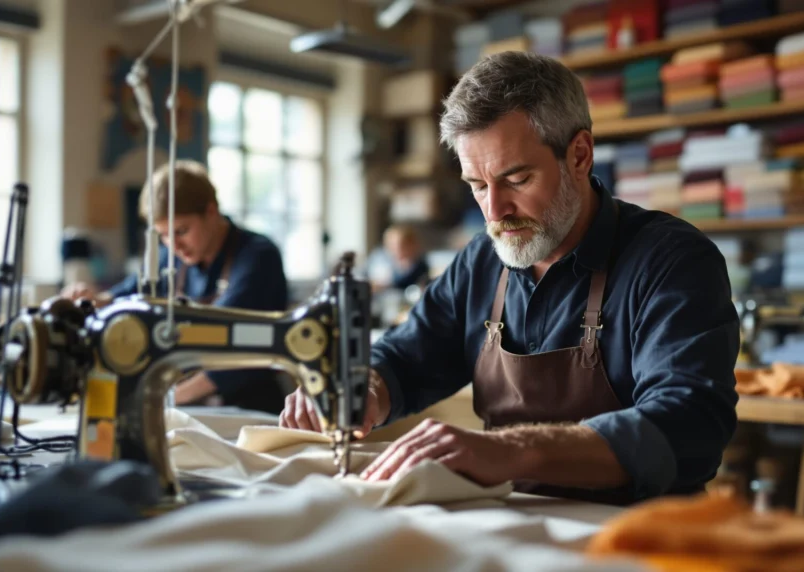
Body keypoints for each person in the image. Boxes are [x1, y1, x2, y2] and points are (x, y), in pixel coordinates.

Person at [280, 52, 739, 504]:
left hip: (633, 533)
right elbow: (407, 356)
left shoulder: (671, 260)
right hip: (508, 520)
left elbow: (689, 423)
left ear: (579, 155)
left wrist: (513, 449)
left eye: (516, 179)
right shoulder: (482, 261)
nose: (494, 212)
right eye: (478, 186)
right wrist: (364, 389)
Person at [62, 160, 290, 413]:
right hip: (186, 406)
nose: (174, 244)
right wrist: (93, 300)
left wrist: (165, 398)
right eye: (163, 235)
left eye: (181, 231)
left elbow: (238, 351)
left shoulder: (257, 257)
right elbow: (127, 295)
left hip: (249, 408)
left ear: (211, 212)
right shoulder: (169, 258)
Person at [379, 224, 430, 291]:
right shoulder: (385, 261)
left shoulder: (419, 265)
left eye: (398, 246)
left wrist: (384, 285)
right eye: (390, 246)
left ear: (412, 245)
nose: (394, 250)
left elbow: (403, 283)